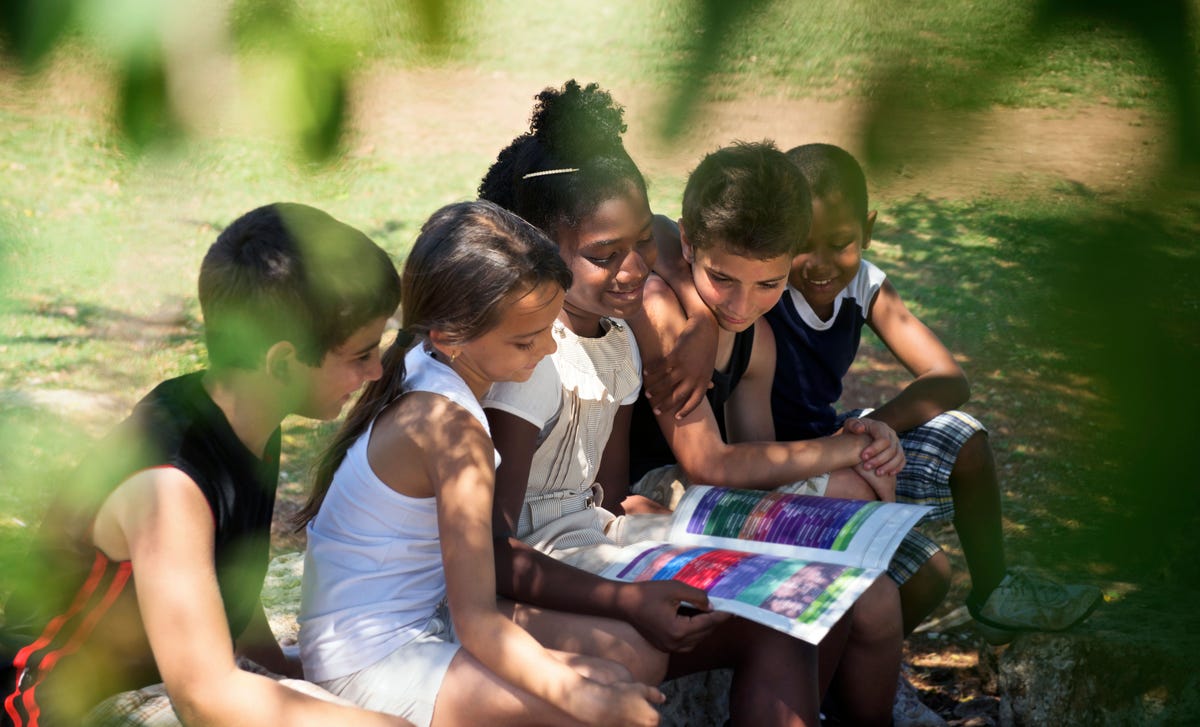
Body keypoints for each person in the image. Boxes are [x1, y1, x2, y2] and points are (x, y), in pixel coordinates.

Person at [478, 80, 903, 727]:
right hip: (552, 570)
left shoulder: (618, 340)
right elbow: (495, 547)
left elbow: (605, 495)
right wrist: (628, 596)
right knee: (777, 612)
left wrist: (653, 522)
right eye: (604, 255)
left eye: (641, 245)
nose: (632, 269)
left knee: (803, 605)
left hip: (601, 540)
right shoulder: (527, 360)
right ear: (538, 243)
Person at [2, 203, 414, 726]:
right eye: (359, 355)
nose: (376, 371)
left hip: (164, 687)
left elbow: (222, 582)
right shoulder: (169, 486)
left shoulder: (246, 418)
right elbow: (204, 698)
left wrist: (289, 673)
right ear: (282, 362)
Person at [674, 142, 1101, 643]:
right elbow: (676, 241)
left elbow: (948, 378)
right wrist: (699, 321)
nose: (819, 264)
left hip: (831, 438)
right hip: (773, 456)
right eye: (804, 244)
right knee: (926, 572)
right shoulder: (760, 282)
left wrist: (867, 432)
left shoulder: (860, 285)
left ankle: (994, 592)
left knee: (965, 442)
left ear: (868, 230)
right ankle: (843, 667)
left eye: (841, 242)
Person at [294, 200, 664, 727]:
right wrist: (585, 700)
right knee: (593, 700)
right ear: (451, 336)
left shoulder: (424, 361)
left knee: (620, 666)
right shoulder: (453, 433)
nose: (547, 349)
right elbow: (478, 624)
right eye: (525, 340)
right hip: (373, 659)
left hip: (409, 624)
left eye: (549, 328)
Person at [628, 141, 952, 637]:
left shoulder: (757, 341)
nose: (741, 304)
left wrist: (863, 446)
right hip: (641, 494)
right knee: (850, 498)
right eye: (722, 279)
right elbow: (709, 465)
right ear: (690, 246)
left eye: (768, 285)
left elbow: (760, 459)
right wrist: (847, 449)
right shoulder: (664, 313)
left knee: (871, 553)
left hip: (705, 491)